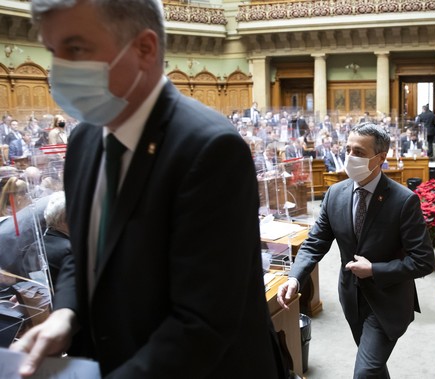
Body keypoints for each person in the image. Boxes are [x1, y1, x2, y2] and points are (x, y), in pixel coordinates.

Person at [12, 1, 286, 378]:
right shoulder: (84, 141)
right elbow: (86, 249)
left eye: (75, 49)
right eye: (52, 52)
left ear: (144, 48)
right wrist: (67, 313)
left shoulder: (209, 148)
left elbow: (204, 322)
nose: (56, 69)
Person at [277, 123, 435, 379]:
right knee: (372, 364)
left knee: (365, 371)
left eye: (359, 152)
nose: (350, 157)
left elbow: (424, 261)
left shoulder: (404, 200)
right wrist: (295, 277)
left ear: (380, 158)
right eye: (348, 149)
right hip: (351, 298)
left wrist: (374, 270)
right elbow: (315, 242)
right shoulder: (334, 194)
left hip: (388, 301)